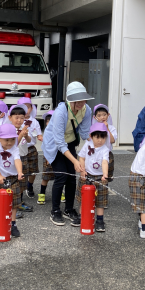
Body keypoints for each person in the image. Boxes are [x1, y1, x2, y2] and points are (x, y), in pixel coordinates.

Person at [42, 82, 93, 227]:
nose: (80, 103)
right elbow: (58, 141)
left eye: (83, 99)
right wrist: (75, 161)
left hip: (69, 142)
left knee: (72, 176)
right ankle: (55, 210)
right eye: (76, 100)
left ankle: (69, 209)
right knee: (62, 175)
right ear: (70, 99)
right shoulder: (61, 111)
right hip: (54, 144)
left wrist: (94, 149)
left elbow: (84, 133)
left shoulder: (86, 110)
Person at [0, 123, 24, 238]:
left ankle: (12, 224)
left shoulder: (14, 148)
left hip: (12, 178)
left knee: (14, 202)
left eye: (12, 139)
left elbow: (17, 160)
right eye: (6, 140)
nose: (9, 142)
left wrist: (19, 172)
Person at [76, 123, 110, 232]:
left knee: (100, 200)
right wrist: (82, 171)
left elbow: (105, 162)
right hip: (87, 175)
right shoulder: (87, 144)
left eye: (103, 137)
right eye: (97, 137)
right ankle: (81, 216)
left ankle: (100, 220)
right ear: (91, 136)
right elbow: (81, 158)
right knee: (83, 199)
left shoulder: (105, 149)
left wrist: (105, 174)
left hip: (100, 177)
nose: (100, 140)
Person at [17, 97, 43, 200]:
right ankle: (21, 192)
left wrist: (39, 137)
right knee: (22, 170)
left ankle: (30, 185)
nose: (26, 110)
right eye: (23, 107)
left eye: (28, 107)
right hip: (20, 149)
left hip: (31, 148)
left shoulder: (34, 121)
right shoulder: (18, 121)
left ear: (32, 108)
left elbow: (37, 133)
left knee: (33, 170)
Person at [91, 104, 117, 182]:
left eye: (104, 115)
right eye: (99, 115)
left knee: (106, 176)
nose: (102, 117)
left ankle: (103, 190)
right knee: (94, 173)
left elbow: (112, 140)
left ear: (108, 115)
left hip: (107, 154)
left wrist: (107, 128)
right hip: (95, 153)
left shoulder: (111, 128)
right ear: (95, 117)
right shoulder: (93, 128)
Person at [37, 110, 55, 205]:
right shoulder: (47, 133)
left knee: (59, 176)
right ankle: (42, 193)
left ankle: (61, 193)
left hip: (58, 157)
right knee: (46, 177)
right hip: (48, 157)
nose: (49, 123)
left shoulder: (60, 131)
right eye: (47, 121)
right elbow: (46, 146)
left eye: (52, 120)